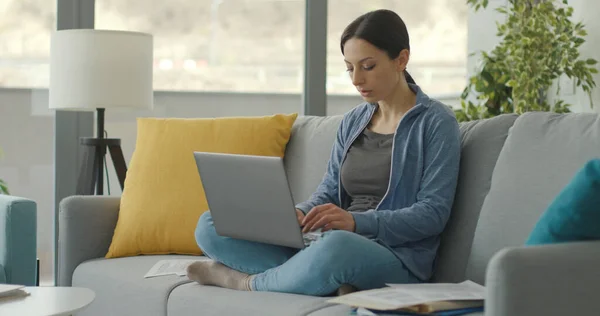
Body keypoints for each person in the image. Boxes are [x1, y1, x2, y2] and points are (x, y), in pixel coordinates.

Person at [186, 9, 461, 297]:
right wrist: (299, 214)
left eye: (367, 66)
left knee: (338, 247)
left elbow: (433, 214)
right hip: (328, 241)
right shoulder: (354, 121)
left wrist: (356, 222)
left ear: (401, 59)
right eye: (349, 68)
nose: (356, 79)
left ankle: (243, 281)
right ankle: (315, 276)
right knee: (210, 224)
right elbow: (329, 191)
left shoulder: (437, 123)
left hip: (393, 256)